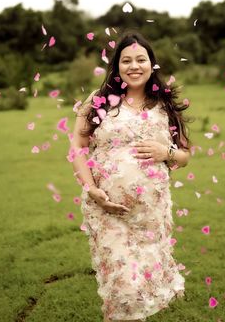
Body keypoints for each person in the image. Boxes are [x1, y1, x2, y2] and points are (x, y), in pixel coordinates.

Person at [70, 30, 193, 321]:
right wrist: (91, 188)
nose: (134, 66)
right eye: (126, 60)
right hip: (108, 209)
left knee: (147, 281)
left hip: (151, 215)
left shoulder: (165, 105)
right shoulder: (99, 101)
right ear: (117, 66)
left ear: (152, 64)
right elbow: (77, 145)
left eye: (141, 59)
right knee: (123, 287)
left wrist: (167, 154)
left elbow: (186, 155)